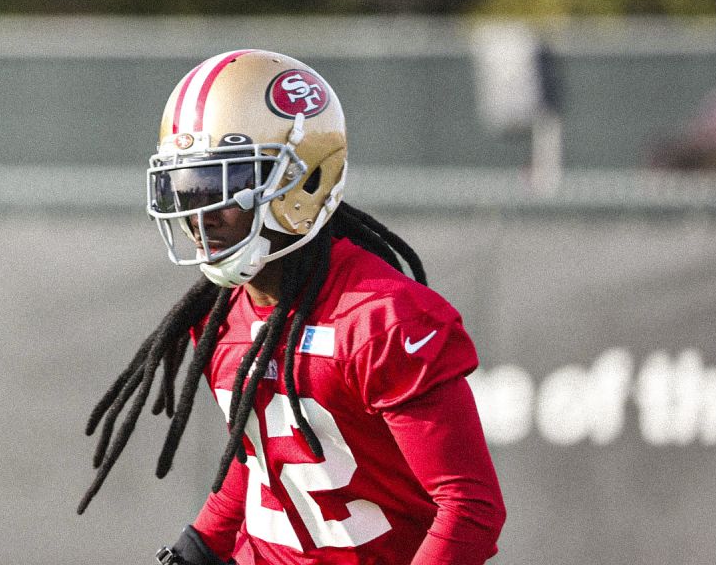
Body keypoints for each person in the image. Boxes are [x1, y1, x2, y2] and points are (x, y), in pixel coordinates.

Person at [78, 50, 505, 565]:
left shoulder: (381, 318)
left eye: (218, 185)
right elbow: (270, 459)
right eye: (184, 186)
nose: (199, 215)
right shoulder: (224, 315)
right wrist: (198, 548)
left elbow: (469, 507)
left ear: (301, 182)